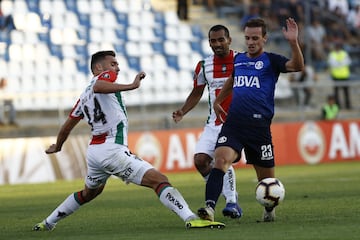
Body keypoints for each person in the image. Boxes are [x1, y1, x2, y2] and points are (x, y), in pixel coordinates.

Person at [32, 50, 225, 231]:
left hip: (95, 153)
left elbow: (67, 125)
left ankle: (47, 223)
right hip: (111, 150)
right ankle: (191, 219)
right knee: (159, 181)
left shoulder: (83, 97)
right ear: (98, 68)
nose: (117, 68)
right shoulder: (103, 78)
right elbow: (100, 86)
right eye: (113, 63)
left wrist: (58, 145)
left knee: (89, 193)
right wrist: (132, 86)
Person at [197, 18, 304, 223]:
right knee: (220, 161)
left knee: (267, 180)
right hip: (234, 125)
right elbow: (232, 79)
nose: (251, 42)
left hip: (259, 128)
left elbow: (297, 66)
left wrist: (293, 42)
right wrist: (219, 100)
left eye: (255, 38)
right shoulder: (239, 60)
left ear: (264, 38)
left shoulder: (271, 60)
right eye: (247, 38)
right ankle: (209, 208)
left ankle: (269, 210)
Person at [172, 25, 242, 220]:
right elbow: (196, 93)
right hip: (214, 123)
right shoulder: (204, 66)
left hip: (236, 123)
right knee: (200, 161)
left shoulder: (242, 60)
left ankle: (231, 202)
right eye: (213, 41)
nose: (217, 44)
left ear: (229, 40)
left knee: (222, 159)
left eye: (221, 40)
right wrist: (182, 111)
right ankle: (227, 194)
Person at [327, 39, 352, 109]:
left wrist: (338, 63)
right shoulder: (332, 54)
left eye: (339, 46)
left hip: (344, 75)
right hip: (336, 76)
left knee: (346, 92)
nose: (338, 47)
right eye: (337, 46)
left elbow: (348, 61)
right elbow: (332, 64)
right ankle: (338, 106)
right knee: (336, 93)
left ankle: (348, 106)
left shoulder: (344, 53)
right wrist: (341, 63)